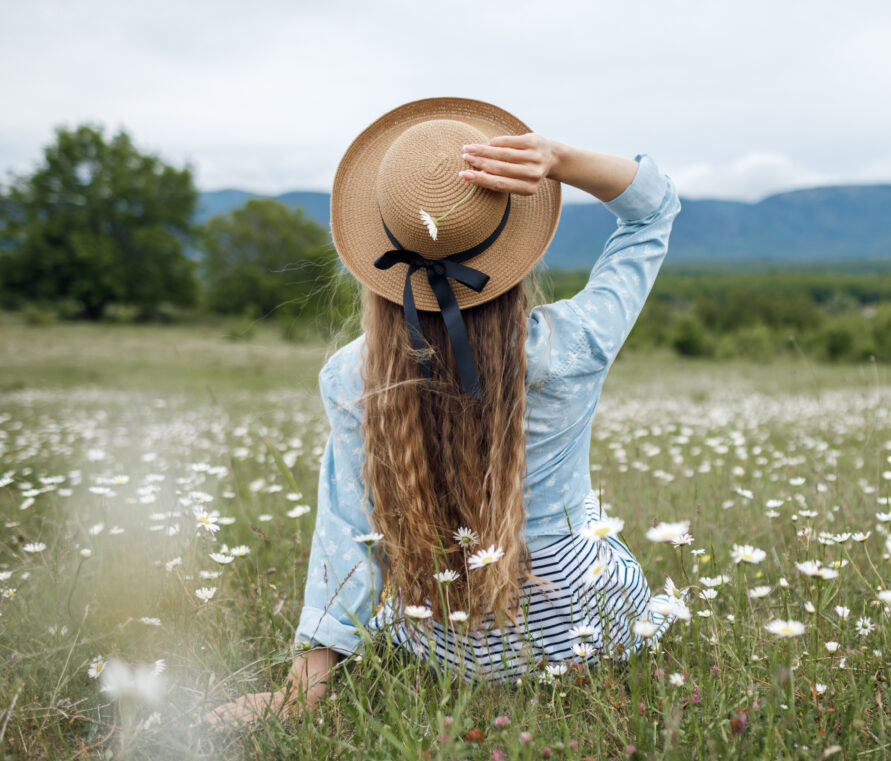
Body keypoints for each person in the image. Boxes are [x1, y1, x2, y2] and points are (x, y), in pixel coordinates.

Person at [206, 97, 681, 724]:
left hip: (448, 640)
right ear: (516, 249)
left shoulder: (354, 375)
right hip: (586, 629)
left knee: (392, 592)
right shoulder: (573, 347)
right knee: (589, 524)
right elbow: (653, 214)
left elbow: (348, 532)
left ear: (379, 251)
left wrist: (303, 688)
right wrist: (558, 158)